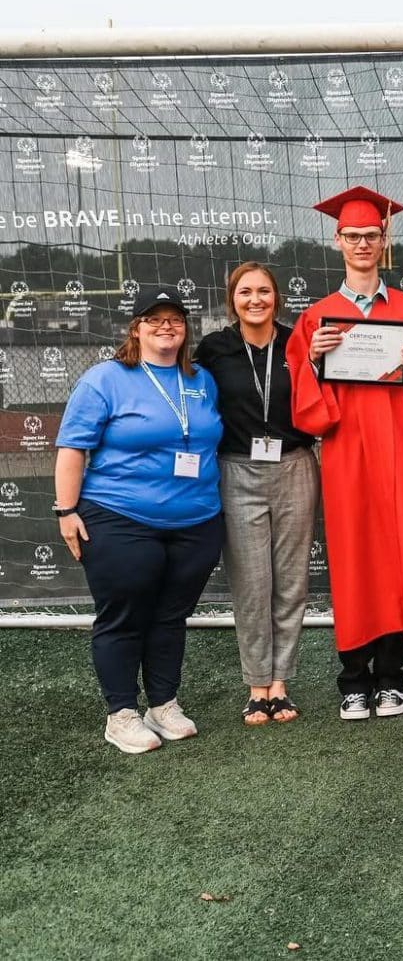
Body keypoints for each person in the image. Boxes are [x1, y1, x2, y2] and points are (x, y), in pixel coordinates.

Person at [286, 187, 403, 720]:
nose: (362, 244)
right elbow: (302, 401)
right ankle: (353, 680)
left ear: (384, 241)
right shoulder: (317, 319)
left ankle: (391, 678)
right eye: (352, 236)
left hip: (397, 449)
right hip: (346, 451)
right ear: (337, 240)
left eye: (371, 236)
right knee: (353, 558)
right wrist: (313, 362)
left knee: (396, 557)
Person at [54, 285, 224, 753]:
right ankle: (122, 713)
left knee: (171, 616)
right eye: (154, 319)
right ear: (136, 328)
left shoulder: (201, 380)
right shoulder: (105, 379)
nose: (166, 327)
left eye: (175, 319)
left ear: (185, 329)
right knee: (124, 616)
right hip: (120, 516)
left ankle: (163, 704)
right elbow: (72, 448)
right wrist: (66, 511)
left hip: (196, 519)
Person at [195, 262, 318, 725]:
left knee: (291, 582)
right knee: (251, 584)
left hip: (294, 465)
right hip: (237, 469)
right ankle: (256, 686)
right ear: (232, 299)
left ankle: (280, 683)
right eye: (245, 292)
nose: (255, 300)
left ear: (276, 298)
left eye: (264, 291)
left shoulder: (299, 342)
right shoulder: (214, 348)